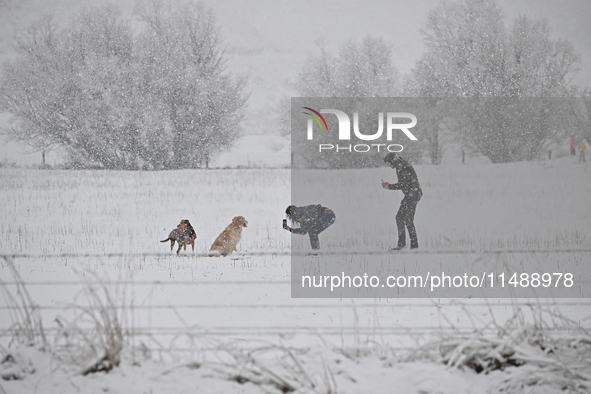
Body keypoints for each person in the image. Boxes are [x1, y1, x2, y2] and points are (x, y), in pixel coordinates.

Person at [381, 152, 423, 250]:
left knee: (406, 220)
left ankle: (410, 246)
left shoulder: (402, 167)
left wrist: (389, 186)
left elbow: (404, 184)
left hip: (413, 195)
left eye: (388, 163)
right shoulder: (401, 165)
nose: (388, 165)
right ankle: (407, 245)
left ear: (393, 161)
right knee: (401, 218)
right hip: (411, 195)